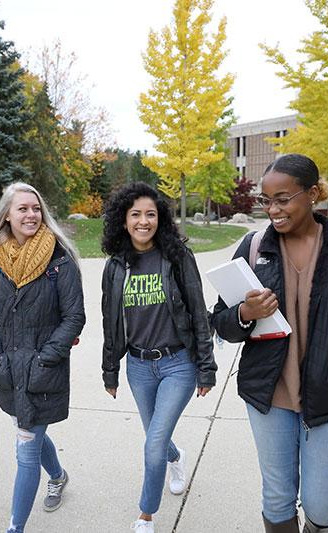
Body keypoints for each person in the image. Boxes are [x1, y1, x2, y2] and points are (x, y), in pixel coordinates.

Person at [211, 154, 328, 532]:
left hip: (327, 396)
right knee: (277, 499)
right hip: (268, 397)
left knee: (323, 505)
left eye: (283, 198)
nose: (273, 210)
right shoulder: (252, 247)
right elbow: (221, 322)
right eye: (266, 200)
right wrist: (244, 313)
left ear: (312, 194)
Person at [101, 182, 217, 533]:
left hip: (177, 364)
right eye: (135, 214)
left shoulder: (177, 256)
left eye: (150, 214)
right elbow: (110, 321)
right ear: (123, 220)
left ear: (160, 218)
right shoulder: (116, 266)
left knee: (152, 443)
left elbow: (198, 311)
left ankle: (145, 515)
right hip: (137, 366)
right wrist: (110, 371)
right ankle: (175, 458)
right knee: (156, 436)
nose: (143, 221)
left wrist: (206, 368)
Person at [0, 182, 85, 533]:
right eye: (23, 209)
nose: (31, 215)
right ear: (7, 215)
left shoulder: (58, 259)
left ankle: (15, 528)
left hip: (43, 370)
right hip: (7, 368)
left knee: (25, 447)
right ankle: (58, 475)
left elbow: (74, 317)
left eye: (36, 208)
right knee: (30, 427)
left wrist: (46, 358)